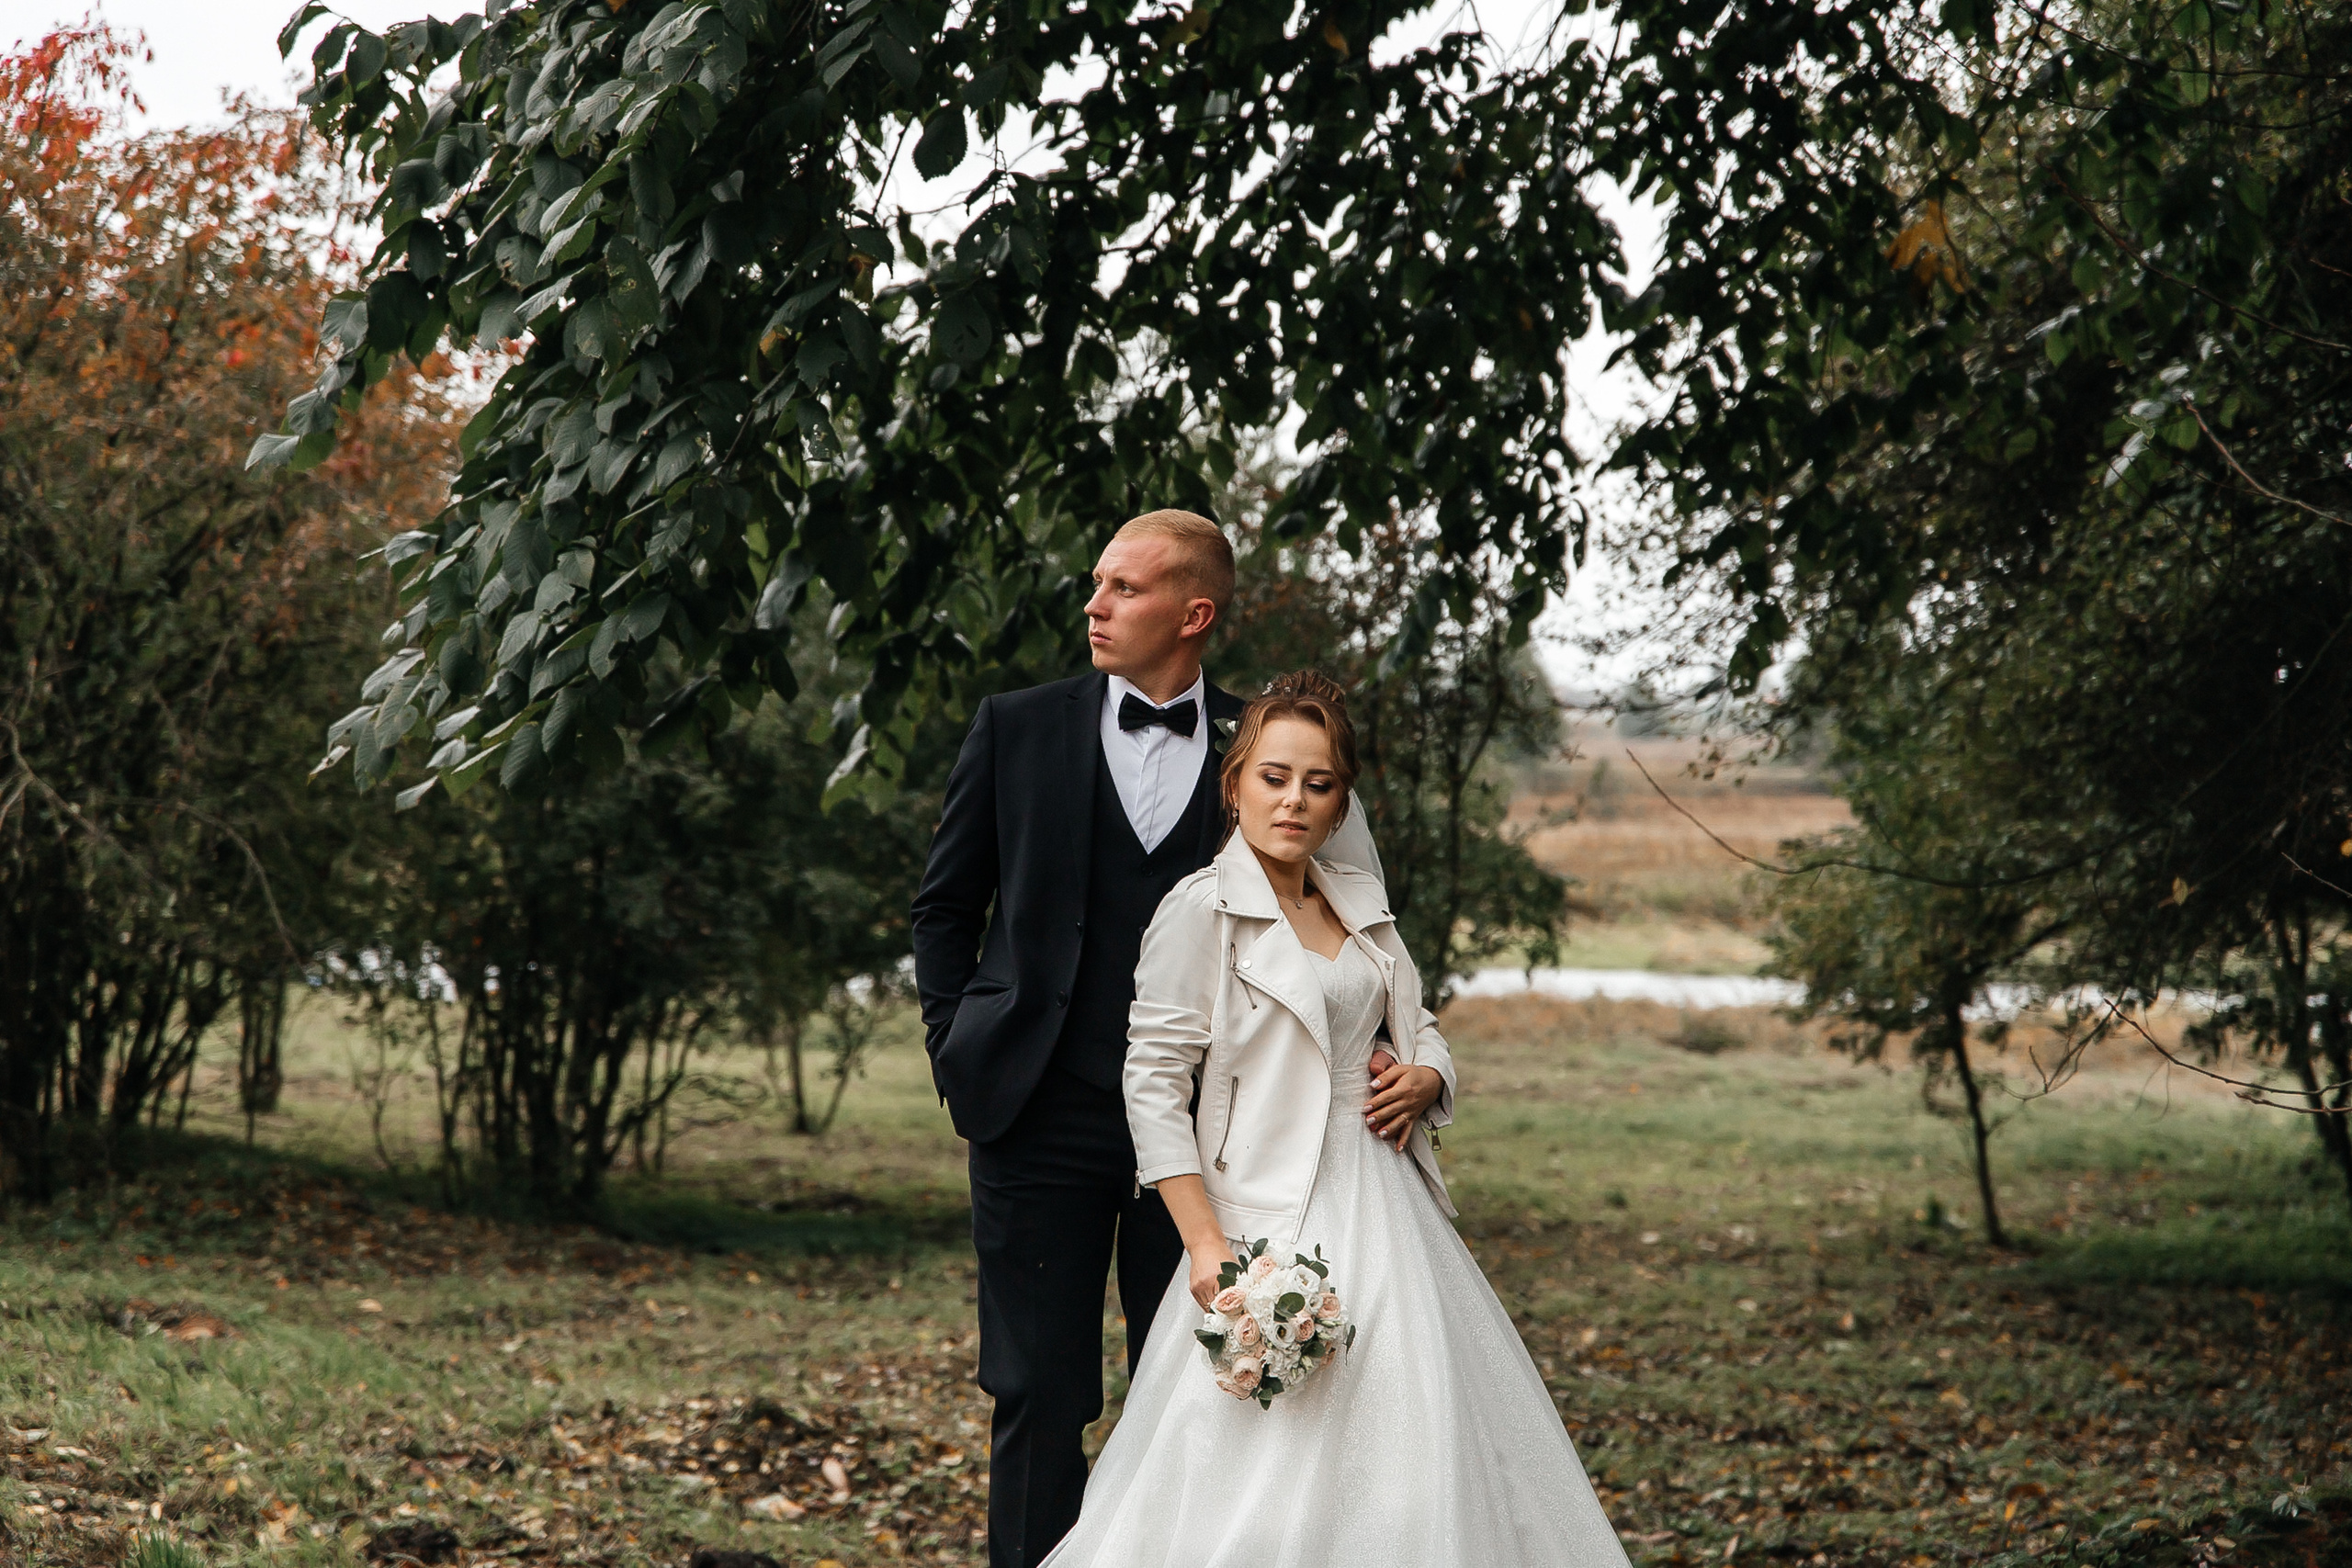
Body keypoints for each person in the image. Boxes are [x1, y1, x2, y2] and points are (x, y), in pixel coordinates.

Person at [1037, 672, 1633, 1568]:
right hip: (1262, 1218)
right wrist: (1204, 1244)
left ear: (1340, 801)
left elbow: (1417, 1027)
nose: (1294, 800)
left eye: (1318, 784)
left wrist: (1428, 1076)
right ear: (1235, 784)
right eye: (1274, 777)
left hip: (1387, 1206)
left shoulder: (1361, 903)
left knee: (1410, 1443)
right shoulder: (1200, 911)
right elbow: (1152, 1082)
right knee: (1253, 1467)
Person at [910, 513, 1396, 1568]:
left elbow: (1347, 919)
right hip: (1032, 1115)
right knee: (1035, 1392)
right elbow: (943, 909)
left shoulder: (1264, 753)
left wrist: (1393, 1047)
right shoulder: (1014, 726)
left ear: (1193, 613)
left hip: (1214, 1139)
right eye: (1098, 584)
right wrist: (959, 1047)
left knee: (1197, 1391)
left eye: (1122, 588)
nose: (1093, 605)